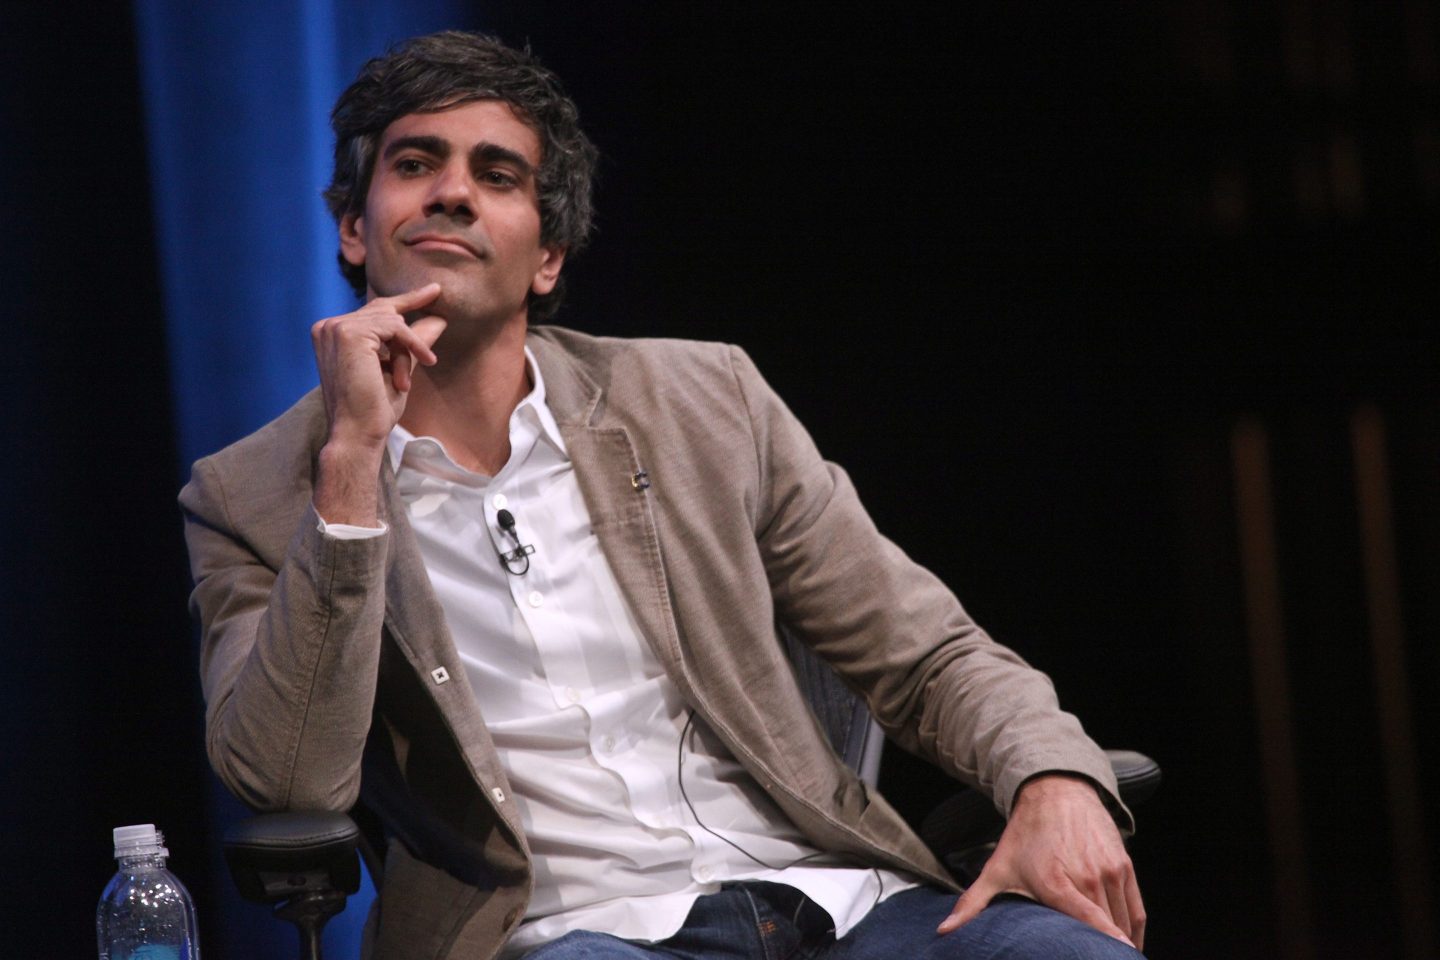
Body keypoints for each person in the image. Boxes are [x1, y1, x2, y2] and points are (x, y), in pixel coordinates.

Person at [180, 30, 1147, 960]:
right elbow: (287, 776)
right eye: (415, 163)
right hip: (567, 938)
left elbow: (927, 655)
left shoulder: (703, 400)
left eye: (498, 175)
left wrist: (1053, 777)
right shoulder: (251, 496)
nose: (453, 193)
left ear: (549, 256)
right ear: (355, 228)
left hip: (839, 907)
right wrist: (352, 464)